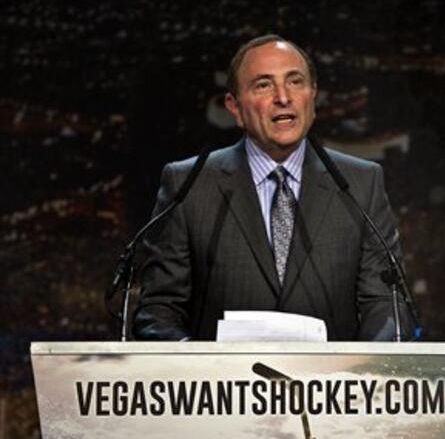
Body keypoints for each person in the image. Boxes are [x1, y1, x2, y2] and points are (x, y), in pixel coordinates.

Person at [132, 34, 413, 341]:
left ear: (313, 95)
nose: (283, 97)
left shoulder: (361, 183)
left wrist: (361, 366)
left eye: (295, 81)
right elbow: (159, 311)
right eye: (264, 85)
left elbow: (386, 304)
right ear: (234, 107)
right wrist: (201, 365)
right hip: (222, 373)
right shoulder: (189, 184)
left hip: (332, 373)